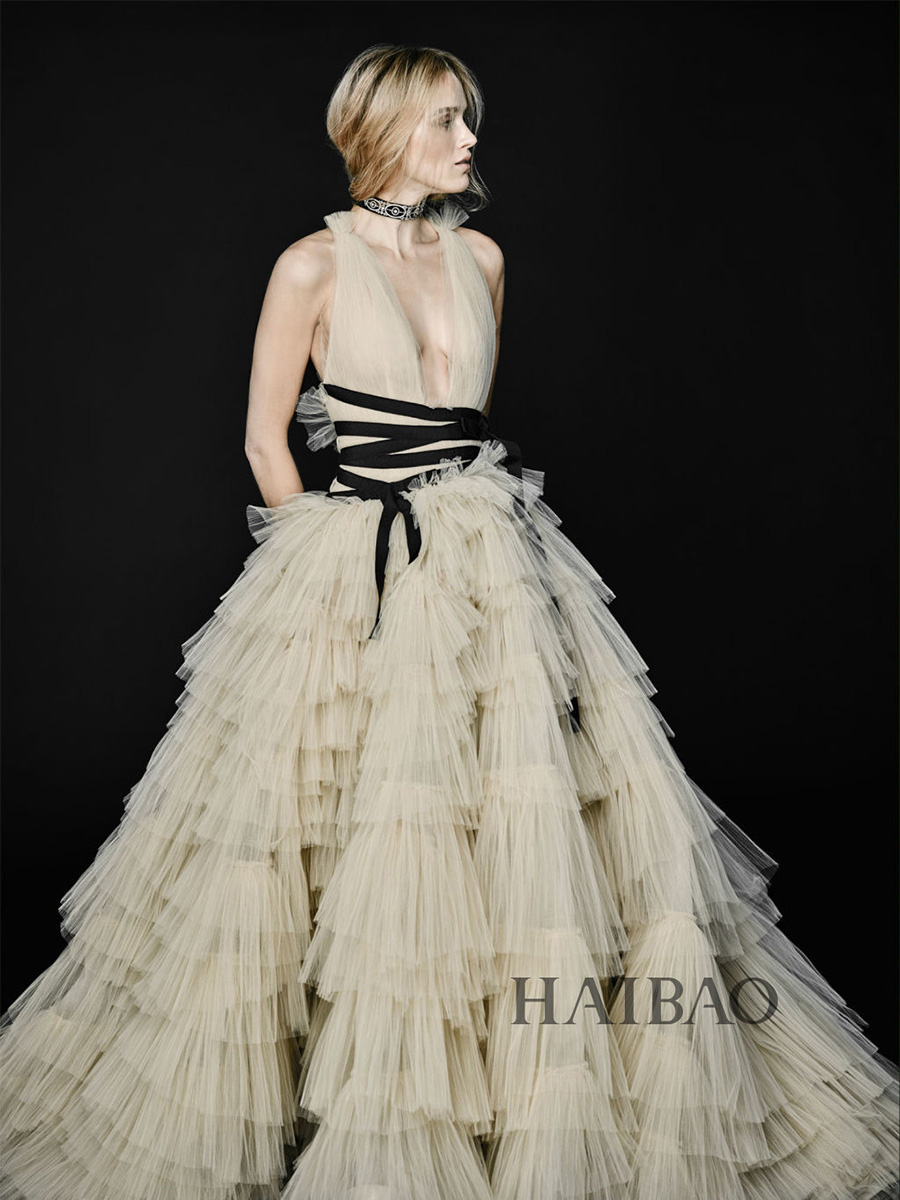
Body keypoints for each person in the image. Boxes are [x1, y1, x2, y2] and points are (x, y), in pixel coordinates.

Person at [1, 41, 897, 1200]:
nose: (470, 139)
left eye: (468, 118)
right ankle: (352, 1091)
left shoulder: (483, 257)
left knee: (522, 813)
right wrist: (328, 577)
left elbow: (459, 421)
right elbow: (268, 441)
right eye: (445, 120)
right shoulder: (310, 266)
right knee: (332, 825)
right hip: (357, 558)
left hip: (486, 556)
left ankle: (518, 1098)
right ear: (380, 130)